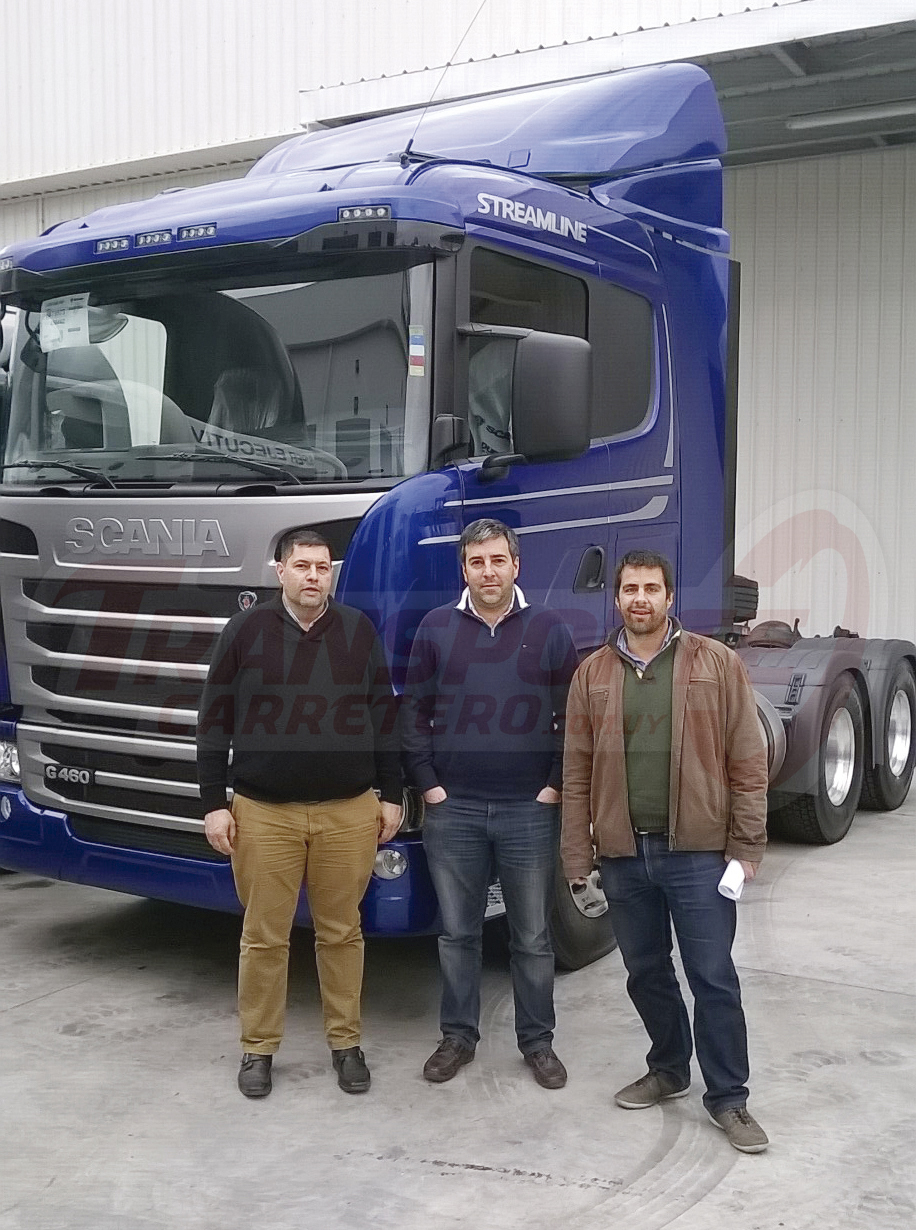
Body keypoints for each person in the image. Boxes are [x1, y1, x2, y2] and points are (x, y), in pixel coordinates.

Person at [561, 549, 770, 1152]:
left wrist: (746, 844)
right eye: (630, 589)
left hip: (698, 854)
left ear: (670, 597)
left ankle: (729, 1098)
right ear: (617, 598)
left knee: (712, 977)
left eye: (651, 588)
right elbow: (576, 770)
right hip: (624, 854)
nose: (640, 599)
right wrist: (577, 854)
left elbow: (748, 758)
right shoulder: (592, 674)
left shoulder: (715, 662)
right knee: (646, 972)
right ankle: (669, 1068)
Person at [197, 528, 402, 1098]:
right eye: (302, 566)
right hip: (264, 814)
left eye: (322, 567)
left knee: (342, 933)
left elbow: (383, 716)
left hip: (348, 812)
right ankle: (258, 1049)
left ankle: (346, 1044)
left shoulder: (358, 630)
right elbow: (214, 721)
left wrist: (392, 793)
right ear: (280, 571)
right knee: (264, 936)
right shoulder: (244, 631)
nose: (313, 576)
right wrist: (213, 804)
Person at [404, 518, 578, 1089]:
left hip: (530, 810)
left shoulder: (549, 629)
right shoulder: (435, 628)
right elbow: (414, 713)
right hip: (453, 810)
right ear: (464, 568)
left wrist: (554, 784)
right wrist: (428, 784)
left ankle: (538, 1042)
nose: (488, 572)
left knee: (532, 937)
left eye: (497, 560)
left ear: (516, 565)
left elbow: (574, 717)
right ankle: (458, 1036)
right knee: (458, 935)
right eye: (477, 562)